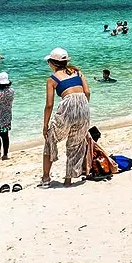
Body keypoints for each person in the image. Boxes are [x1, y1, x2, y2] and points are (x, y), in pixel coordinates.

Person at [40, 48, 91, 186]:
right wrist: (82, 108)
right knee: (75, 143)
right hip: (84, 105)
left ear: (53, 63)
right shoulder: (78, 72)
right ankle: (68, 179)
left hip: (68, 104)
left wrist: (45, 125)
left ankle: (45, 178)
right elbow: (87, 92)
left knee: (51, 138)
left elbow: (49, 105)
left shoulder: (52, 79)